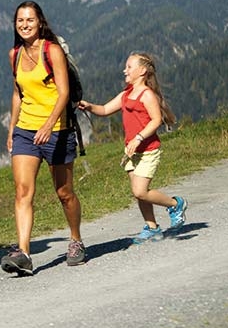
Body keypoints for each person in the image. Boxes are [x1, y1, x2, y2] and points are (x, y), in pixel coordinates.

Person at [2, 1, 85, 276]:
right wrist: (12, 128)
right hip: (26, 131)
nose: (24, 25)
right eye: (20, 20)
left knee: (64, 193)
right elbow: (18, 93)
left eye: (30, 20)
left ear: (40, 22)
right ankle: (24, 253)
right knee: (23, 191)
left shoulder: (52, 50)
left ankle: (76, 239)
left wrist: (49, 125)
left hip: (57, 130)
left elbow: (63, 92)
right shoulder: (14, 54)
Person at [78, 53, 186, 244]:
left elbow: (156, 120)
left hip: (148, 151)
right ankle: (152, 227)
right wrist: (89, 106)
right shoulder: (126, 94)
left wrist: (138, 138)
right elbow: (104, 109)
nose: (124, 70)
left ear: (142, 71)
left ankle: (175, 204)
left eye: (129, 67)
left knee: (140, 191)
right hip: (132, 152)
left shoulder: (147, 95)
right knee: (139, 193)